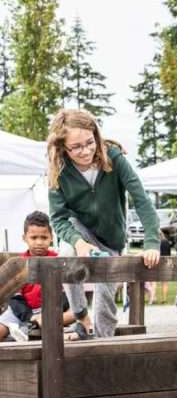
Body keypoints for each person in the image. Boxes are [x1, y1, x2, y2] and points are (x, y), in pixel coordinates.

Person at [47, 108, 161, 338]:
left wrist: (151, 241)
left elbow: (141, 199)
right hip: (80, 230)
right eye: (76, 147)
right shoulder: (58, 170)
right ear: (63, 148)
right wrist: (78, 242)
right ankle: (80, 316)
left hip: (111, 239)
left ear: (95, 136)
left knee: (105, 300)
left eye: (89, 142)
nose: (86, 150)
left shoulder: (113, 158)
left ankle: (102, 344)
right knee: (67, 254)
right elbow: (58, 218)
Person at [0, 212, 78, 342]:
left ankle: (34, 329)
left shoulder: (58, 260)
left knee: (74, 313)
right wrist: (31, 316)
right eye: (34, 237)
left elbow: (66, 294)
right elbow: (16, 300)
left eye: (44, 237)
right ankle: (21, 329)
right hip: (22, 312)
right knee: (2, 327)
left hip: (52, 310)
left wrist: (46, 314)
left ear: (51, 238)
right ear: (24, 238)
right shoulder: (19, 264)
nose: (39, 242)